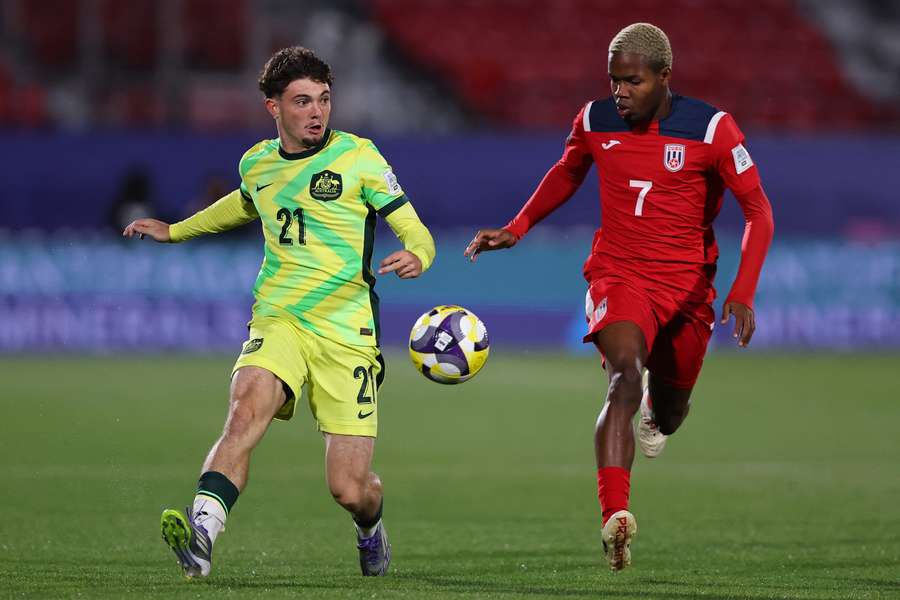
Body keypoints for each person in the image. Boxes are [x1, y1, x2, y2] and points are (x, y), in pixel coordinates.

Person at [464, 23, 774, 572]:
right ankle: (616, 516)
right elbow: (568, 170)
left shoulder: (713, 129)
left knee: (672, 412)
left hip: (689, 289)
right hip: (619, 276)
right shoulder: (593, 119)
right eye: (613, 80)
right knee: (623, 375)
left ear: (663, 77)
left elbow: (759, 211)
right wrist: (519, 226)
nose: (619, 92)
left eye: (632, 81)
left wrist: (743, 291)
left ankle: (660, 408)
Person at [124, 46, 435, 579]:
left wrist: (418, 256)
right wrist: (176, 230)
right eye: (302, 102)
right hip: (279, 318)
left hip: (347, 331)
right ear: (274, 108)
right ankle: (202, 535)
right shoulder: (257, 163)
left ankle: (370, 526)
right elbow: (243, 203)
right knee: (245, 410)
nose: (317, 112)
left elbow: (415, 229)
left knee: (349, 488)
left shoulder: (360, 157)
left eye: (324, 99)